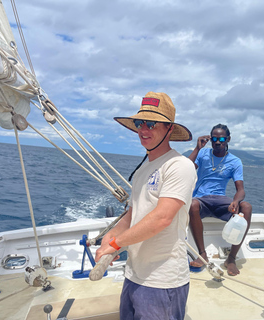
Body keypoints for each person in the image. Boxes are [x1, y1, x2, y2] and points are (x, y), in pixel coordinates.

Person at [95, 92, 197, 320]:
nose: (143, 129)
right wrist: (110, 237)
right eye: (140, 123)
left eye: (152, 123)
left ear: (170, 129)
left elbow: (162, 218)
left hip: (163, 281)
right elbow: (133, 214)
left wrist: (115, 244)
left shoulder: (179, 165)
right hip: (134, 274)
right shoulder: (142, 170)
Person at [188, 124, 252, 276]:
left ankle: (231, 259)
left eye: (221, 139)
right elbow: (185, 168)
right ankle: (202, 253)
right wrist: (197, 148)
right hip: (201, 199)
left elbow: (240, 189)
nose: (217, 142)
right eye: (214, 139)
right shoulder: (203, 154)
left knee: (247, 207)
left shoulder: (234, 161)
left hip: (220, 200)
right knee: (192, 203)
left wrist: (235, 202)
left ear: (228, 139)